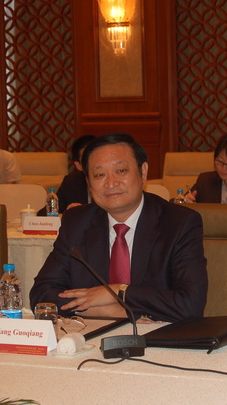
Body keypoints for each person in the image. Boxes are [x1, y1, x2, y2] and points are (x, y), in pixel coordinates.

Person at [30, 133, 208, 322]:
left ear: (143, 172)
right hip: (93, 335)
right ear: (88, 182)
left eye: (121, 171)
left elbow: (190, 305)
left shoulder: (179, 222)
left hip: (159, 336)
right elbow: (42, 295)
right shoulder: (77, 222)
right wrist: (107, 311)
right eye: (99, 175)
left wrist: (119, 291)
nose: (111, 183)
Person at [56, 134, 95, 213]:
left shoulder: (114, 180)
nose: (94, 161)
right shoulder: (72, 182)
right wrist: (68, 213)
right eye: (87, 158)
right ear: (78, 165)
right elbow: (47, 212)